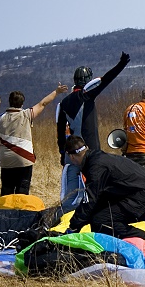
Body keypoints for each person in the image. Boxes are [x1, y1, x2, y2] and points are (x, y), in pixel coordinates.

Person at [56, 52, 130, 211]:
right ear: (87, 81)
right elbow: (106, 79)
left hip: (71, 154)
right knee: (94, 193)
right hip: (90, 151)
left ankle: (67, 218)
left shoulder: (63, 104)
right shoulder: (86, 95)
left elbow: (60, 135)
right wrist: (122, 63)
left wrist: (63, 154)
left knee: (70, 195)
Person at [63, 135, 145, 248]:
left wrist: (73, 228)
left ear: (71, 157)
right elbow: (97, 201)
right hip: (144, 194)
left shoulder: (95, 168)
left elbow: (89, 200)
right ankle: (106, 248)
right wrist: (77, 225)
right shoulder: (97, 158)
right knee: (96, 216)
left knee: (101, 221)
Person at [0, 84, 69, 196]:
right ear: (22, 104)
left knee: (7, 190)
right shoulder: (26, 115)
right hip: (24, 158)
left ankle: (6, 207)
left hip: (6, 160)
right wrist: (56, 92)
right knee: (22, 190)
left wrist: (2, 157)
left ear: (9, 102)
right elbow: (43, 103)